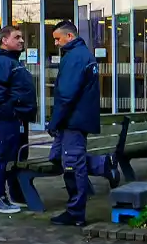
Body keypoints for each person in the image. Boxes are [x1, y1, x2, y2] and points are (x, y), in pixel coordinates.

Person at [46, 21, 119, 227]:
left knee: (72, 164)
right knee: (58, 156)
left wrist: (55, 121)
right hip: (75, 118)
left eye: (58, 39)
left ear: (70, 37)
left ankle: (75, 211)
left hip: (73, 120)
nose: (56, 43)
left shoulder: (75, 58)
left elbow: (67, 94)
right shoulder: (80, 55)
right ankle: (103, 164)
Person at [0, 25, 36, 214]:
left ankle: (16, 194)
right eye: (17, 37)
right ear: (4, 40)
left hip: (20, 119)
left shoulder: (14, 62)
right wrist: (11, 112)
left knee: (18, 156)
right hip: (11, 119)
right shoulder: (1, 62)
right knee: (5, 157)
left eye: (22, 37)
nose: (21, 41)